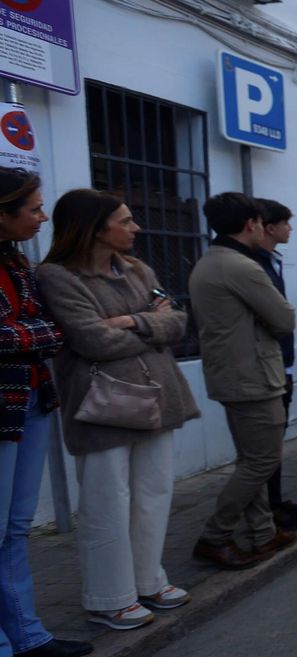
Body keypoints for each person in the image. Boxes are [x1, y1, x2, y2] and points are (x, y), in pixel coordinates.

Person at [38, 190, 200, 630]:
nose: (136, 228)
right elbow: (91, 340)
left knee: (153, 494)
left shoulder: (138, 269)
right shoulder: (57, 276)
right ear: (94, 227)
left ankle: (149, 580)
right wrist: (151, 324)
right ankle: (110, 597)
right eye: (125, 221)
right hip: (102, 403)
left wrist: (132, 321)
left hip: (156, 396)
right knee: (106, 502)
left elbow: (178, 322)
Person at [0, 169, 91, 657]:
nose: (41, 217)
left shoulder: (18, 262)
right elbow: (39, 329)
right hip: (5, 406)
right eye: (33, 208)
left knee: (15, 527)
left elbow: (42, 329)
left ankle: (26, 634)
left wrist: (33, 334)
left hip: (31, 398)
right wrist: (39, 333)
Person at [188, 193, 297, 569]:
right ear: (251, 223)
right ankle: (215, 536)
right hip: (251, 373)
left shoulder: (210, 261)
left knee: (253, 458)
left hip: (232, 371)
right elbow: (284, 320)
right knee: (263, 459)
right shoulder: (241, 267)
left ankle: (263, 533)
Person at [255, 199, 297, 530]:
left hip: (282, 363)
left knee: (276, 441)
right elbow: (278, 316)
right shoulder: (254, 265)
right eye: (286, 223)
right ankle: (267, 510)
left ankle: (275, 502)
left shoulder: (271, 261)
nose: (291, 229)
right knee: (265, 447)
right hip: (268, 364)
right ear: (269, 227)